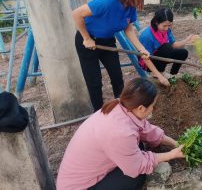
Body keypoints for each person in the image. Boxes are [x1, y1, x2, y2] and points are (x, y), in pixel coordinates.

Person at [56, 78, 184, 190]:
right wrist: (171, 155)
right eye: (153, 106)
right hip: (82, 186)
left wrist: (176, 143)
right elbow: (136, 167)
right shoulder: (120, 132)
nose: (153, 109)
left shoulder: (122, 105)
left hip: (85, 171)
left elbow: (147, 130)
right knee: (136, 178)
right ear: (141, 108)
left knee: (138, 145)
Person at [72, 0, 168, 112]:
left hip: (107, 41)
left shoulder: (130, 7)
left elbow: (128, 29)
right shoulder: (107, 3)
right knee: (94, 82)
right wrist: (86, 38)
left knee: (117, 76)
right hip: (88, 41)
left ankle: (123, 110)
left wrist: (141, 49)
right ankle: (99, 114)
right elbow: (76, 14)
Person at [139, 8, 198, 77]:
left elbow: (173, 45)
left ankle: (173, 75)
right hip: (148, 63)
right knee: (166, 47)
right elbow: (145, 58)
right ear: (156, 22)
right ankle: (158, 73)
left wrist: (186, 40)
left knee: (183, 53)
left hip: (162, 57)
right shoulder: (147, 36)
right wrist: (159, 76)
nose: (167, 28)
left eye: (169, 25)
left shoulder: (166, 30)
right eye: (164, 26)